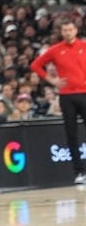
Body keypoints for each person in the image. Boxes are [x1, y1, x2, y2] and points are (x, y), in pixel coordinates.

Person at [31, 17, 86, 184]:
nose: (68, 32)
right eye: (65, 30)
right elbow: (35, 65)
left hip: (84, 93)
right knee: (71, 135)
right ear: (61, 32)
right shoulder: (55, 50)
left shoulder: (84, 46)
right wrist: (52, 81)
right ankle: (80, 172)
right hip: (67, 96)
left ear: (76, 30)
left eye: (70, 29)